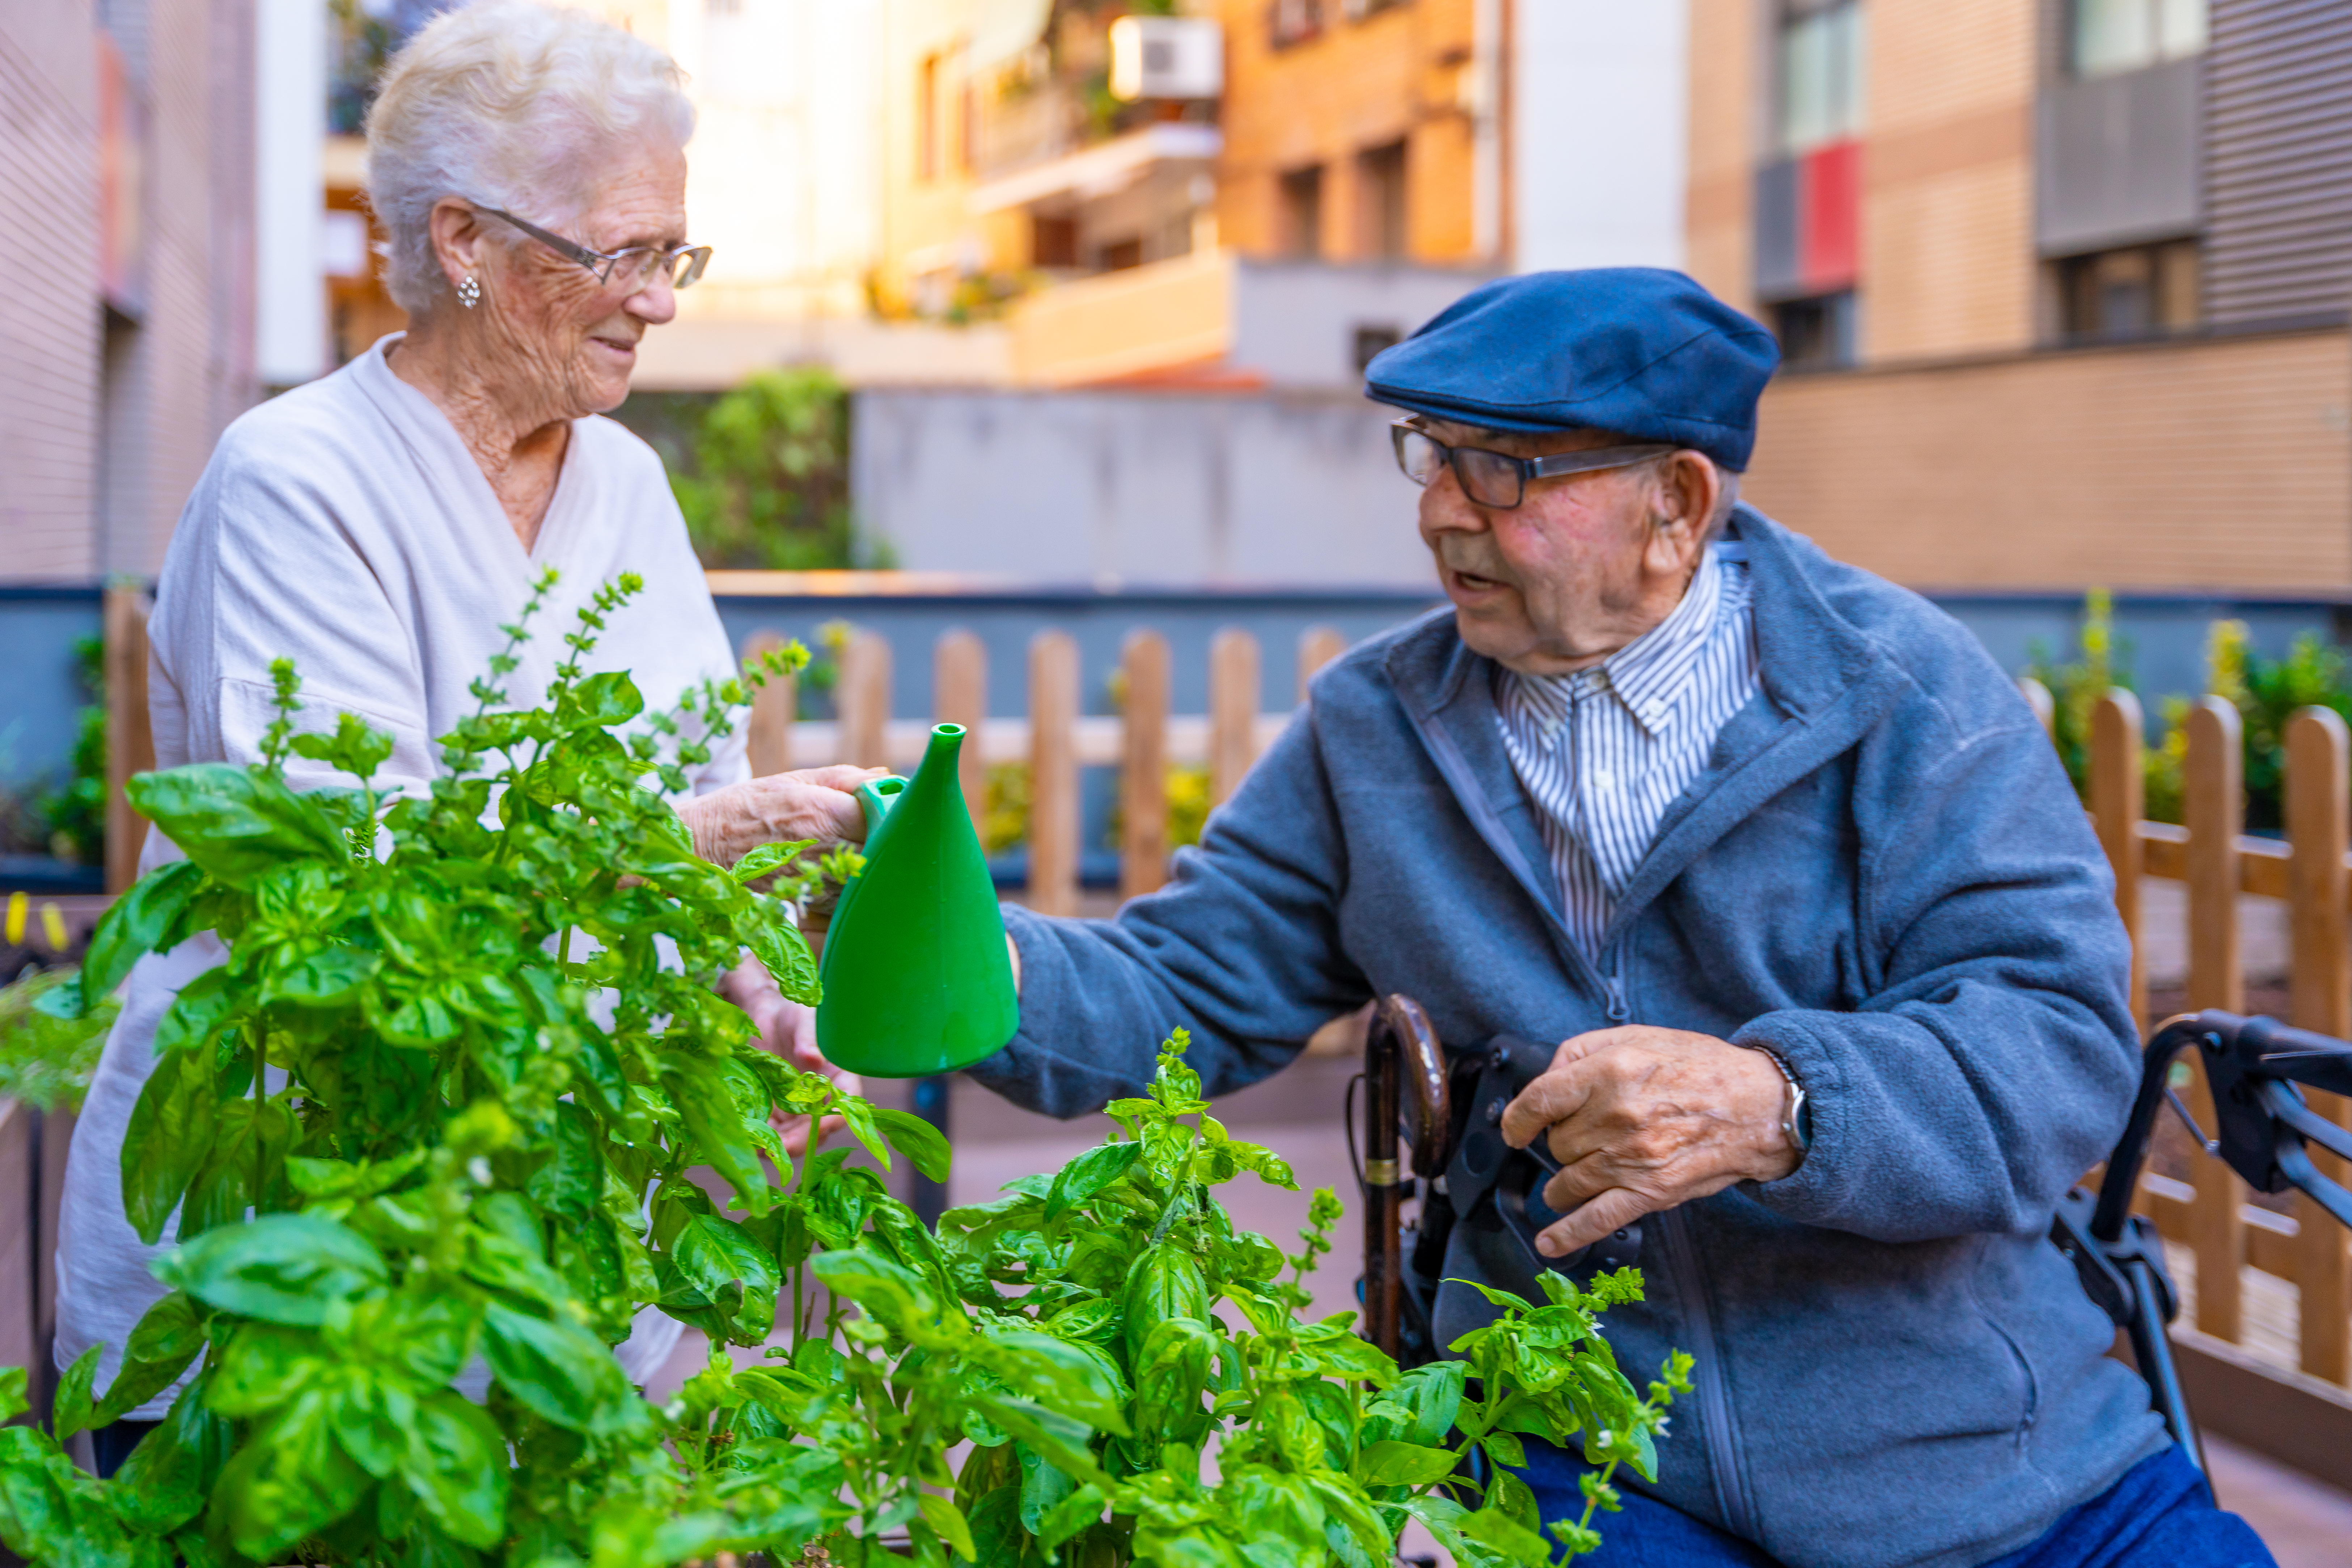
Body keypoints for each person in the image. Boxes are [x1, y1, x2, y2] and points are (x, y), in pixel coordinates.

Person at [967, 270, 2275, 1567]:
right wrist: (903, 909)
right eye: (1428, 457)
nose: (1435, 513)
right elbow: (1165, 999)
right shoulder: (1373, 730)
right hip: (1589, 1465)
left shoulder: (1901, 692)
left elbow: (2060, 1049)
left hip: (1985, 1448)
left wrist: (1779, 1104)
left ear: (1677, 504)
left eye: (1502, 470)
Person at [55, 1, 869, 1475]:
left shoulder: (626, 488)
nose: (660, 299)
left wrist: (766, 1000)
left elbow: (696, 780)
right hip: (299, 1228)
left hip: (553, 1235)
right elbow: (367, 892)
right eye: (622, 253)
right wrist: (724, 838)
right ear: (465, 245)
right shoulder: (295, 483)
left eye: (672, 254)